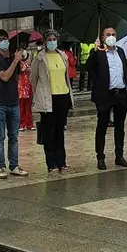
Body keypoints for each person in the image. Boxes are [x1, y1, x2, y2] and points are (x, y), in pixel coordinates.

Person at [85, 27, 127, 170]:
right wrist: (94, 51)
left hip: (121, 93)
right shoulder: (98, 53)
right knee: (102, 126)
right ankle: (100, 156)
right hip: (105, 95)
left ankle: (119, 155)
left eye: (113, 34)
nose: (111, 37)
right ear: (102, 37)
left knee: (120, 127)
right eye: (108, 35)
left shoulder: (121, 52)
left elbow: (124, 71)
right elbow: (88, 67)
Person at [30, 30, 73, 172]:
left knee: (60, 130)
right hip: (48, 97)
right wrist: (39, 94)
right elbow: (33, 79)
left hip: (63, 95)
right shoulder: (40, 58)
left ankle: (62, 161)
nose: (52, 41)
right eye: (49, 39)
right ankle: (51, 163)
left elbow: (66, 75)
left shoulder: (63, 56)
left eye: (54, 39)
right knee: (49, 131)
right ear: (44, 41)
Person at [0, 29, 29, 179]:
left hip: (13, 101)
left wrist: (20, 56)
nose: (4, 41)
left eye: (5, 38)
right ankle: (1, 167)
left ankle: (14, 165)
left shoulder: (13, 56)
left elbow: (18, 71)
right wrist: (15, 61)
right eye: (0, 39)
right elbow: (5, 77)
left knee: (14, 136)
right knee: (0, 136)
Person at [17, 45, 34, 131]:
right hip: (20, 86)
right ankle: (21, 124)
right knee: (21, 107)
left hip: (28, 86)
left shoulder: (29, 61)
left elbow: (31, 71)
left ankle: (29, 124)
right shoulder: (16, 62)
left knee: (28, 106)